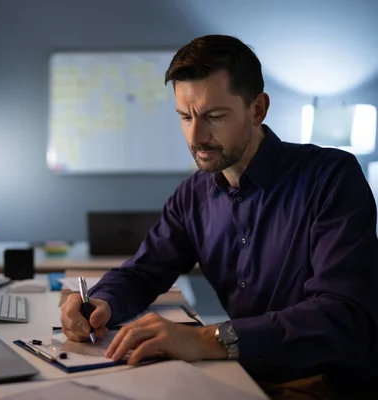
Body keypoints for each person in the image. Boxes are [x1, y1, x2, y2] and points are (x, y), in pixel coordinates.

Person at [60, 34, 378, 399]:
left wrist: (207, 338)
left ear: (257, 109)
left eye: (213, 116)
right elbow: (144, 271)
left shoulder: (331, 177)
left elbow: (343, 319)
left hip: (325, 382)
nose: (196, 136)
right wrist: (101, 302)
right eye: (185, 117)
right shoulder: (193, 195)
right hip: (243, 373)